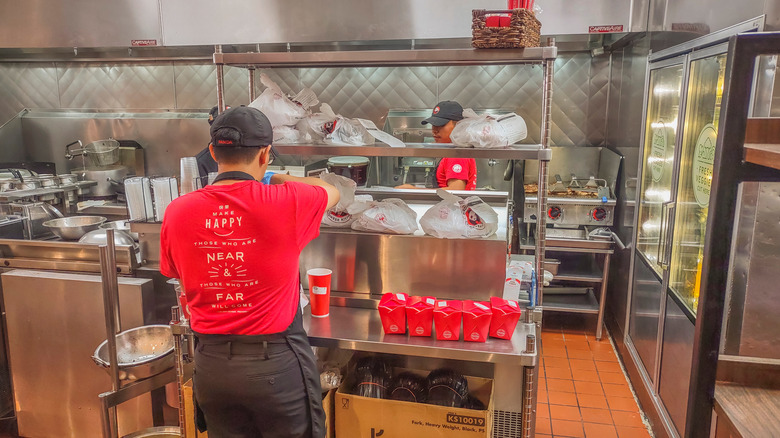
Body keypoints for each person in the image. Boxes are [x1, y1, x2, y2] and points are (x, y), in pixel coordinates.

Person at [160, 106, 339, 438]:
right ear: (266, 153)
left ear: (213, 152)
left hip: (212, 368)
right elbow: (332, 192)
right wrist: (278, 178)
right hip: (275, 366)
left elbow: (177, 274)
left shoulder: (177, 211)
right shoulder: (288, 201)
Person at [394, 100, 477, 191]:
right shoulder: (452, 151)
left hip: (454, 205)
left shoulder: (456, 155)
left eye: (441, 125)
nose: (434, 130)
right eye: (433, 124)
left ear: (459, 125)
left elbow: (456, 190)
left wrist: (414, 189)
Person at [196, 105, 275, 185]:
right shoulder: (277, 195)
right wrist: (272, 177)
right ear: (264, 155)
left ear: (212, 152)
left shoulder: (189, 197)